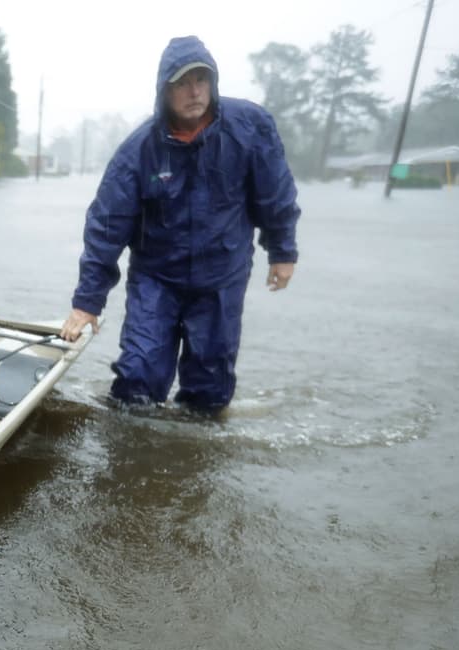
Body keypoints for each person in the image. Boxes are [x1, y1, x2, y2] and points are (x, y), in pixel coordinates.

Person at [59, 35, 301, 413]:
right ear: (165, 90)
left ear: (213, 83)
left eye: (202, 80)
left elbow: (275, 192)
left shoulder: (250, 127)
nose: (194, 92)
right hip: (157, 278)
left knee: (209, 390)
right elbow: (107, 226)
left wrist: (282, 251)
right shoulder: (139, 150)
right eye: (183, 83)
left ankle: (193, 452)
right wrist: (87, 303)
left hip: (222, 275)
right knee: (136, 381)